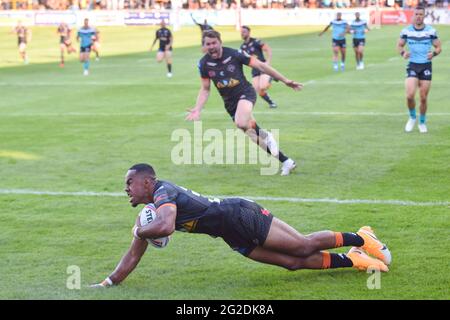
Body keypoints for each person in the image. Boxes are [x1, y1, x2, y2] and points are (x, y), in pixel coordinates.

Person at [90, 163, 391, 288]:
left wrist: (141, 231)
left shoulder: (163, 192)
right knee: (292, 264)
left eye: (129, 183)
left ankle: (363, 237)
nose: (126, 189)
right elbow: (133, 255)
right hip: (229, 233)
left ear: (147, 181)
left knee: (302, 245)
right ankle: (353, 260)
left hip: (239, 214)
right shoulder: (148, 215)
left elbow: (166, 227)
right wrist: (107, 284)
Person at [186, 30, 299, 176]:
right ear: (204, 45)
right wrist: (197, 109)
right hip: (230, 104)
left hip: (245, 93)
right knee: (254, 137)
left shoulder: (234, 54)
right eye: (208, 44)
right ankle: (286, 161)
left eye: (214, 43)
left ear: (220, 42)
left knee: (240, 122)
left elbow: (261, 66)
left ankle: (265, 134)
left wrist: (285, 80)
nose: (212, 46)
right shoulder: (204, 64)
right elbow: (205, 89)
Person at [397, 6, 441, 134]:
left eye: (421, 14)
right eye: (416, 14)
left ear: (424, 15)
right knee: (410, 95)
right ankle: (412, 117)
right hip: (412, 65)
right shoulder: (406, 31)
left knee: (423, 97)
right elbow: (399, 45)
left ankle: (422, 122)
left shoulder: (431, 31)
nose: (419, 16)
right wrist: (403, 53)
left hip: (426, 66)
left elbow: (438, 47)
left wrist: (434, 54)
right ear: (413, 15)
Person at [240, 26, 277, 109]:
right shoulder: (242, 47)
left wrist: (268, 62)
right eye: (241, 32)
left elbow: (268, 49)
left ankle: (271, 76)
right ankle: (271, 103)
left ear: (249, 32)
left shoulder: (256, 41)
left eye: (244, 32)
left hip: (263, 66)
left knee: (263, 86)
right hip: (254, 69)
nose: (242, 34)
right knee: (258, 90)